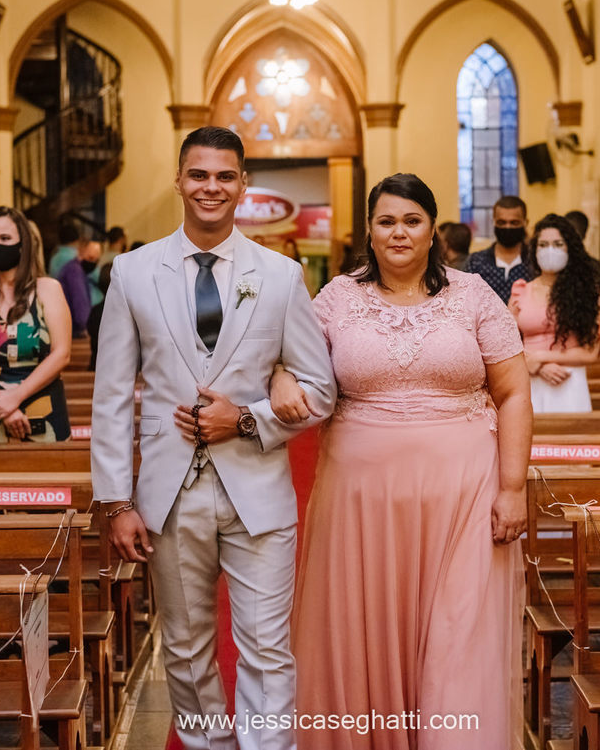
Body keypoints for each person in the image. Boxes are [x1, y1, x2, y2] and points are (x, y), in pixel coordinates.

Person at [91, 126, 336, 750]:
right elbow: (113, 397)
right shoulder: (132, 272)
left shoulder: (280, 276)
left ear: (243, 185)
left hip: (256, 488)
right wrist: (116, 501)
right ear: (178, 180)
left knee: (267, 647)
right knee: (187, 648)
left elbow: (320, 388)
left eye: (225, 176)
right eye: (199, 175)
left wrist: (248, 418)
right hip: (169, 493)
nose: (211, 188)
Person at [273, 172, 530, 749]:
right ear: (369, 228)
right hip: (361, 498)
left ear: (432, 230)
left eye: (411, 221)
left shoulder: (472, 295)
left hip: (463, 493)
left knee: (456, 634)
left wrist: (512, 488)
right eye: (386, 221)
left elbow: (514, 393)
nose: (399, 233)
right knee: (367, 631)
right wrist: (283, 376)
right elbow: (292, 359)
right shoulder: (338, 296)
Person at [0, 206, 73, 443]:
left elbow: (62, 354)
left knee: (49, 479)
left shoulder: (47, 289)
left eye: (5, 238)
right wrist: (2, 403)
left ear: (23, 244)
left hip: (45, 410)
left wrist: (15, 397)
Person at [509, 214, 600, 412]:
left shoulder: (589, 292)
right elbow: (505, 342)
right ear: (534, 250)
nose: (550, 250)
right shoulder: (520, 290)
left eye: (558, 244)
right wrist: (537, 366)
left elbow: (591, 352)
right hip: (530, 377)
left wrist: (541, 357)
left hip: (568, 378)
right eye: (543, 244)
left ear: (570, 248)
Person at [464, 195, 529, 302]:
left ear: (525, 223)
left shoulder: (535, 262)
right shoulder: (475, 262)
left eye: (514, 222)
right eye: (501, 222)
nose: (507, 227)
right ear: (493, 222)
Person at [57, 239, 101, 337]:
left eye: (96, 260)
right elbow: (80, 305)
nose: (92, 262)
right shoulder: (75, 271)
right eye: (90, 258)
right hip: (72, 332)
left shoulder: (75, 269)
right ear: (81, 251)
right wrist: (87, 327)